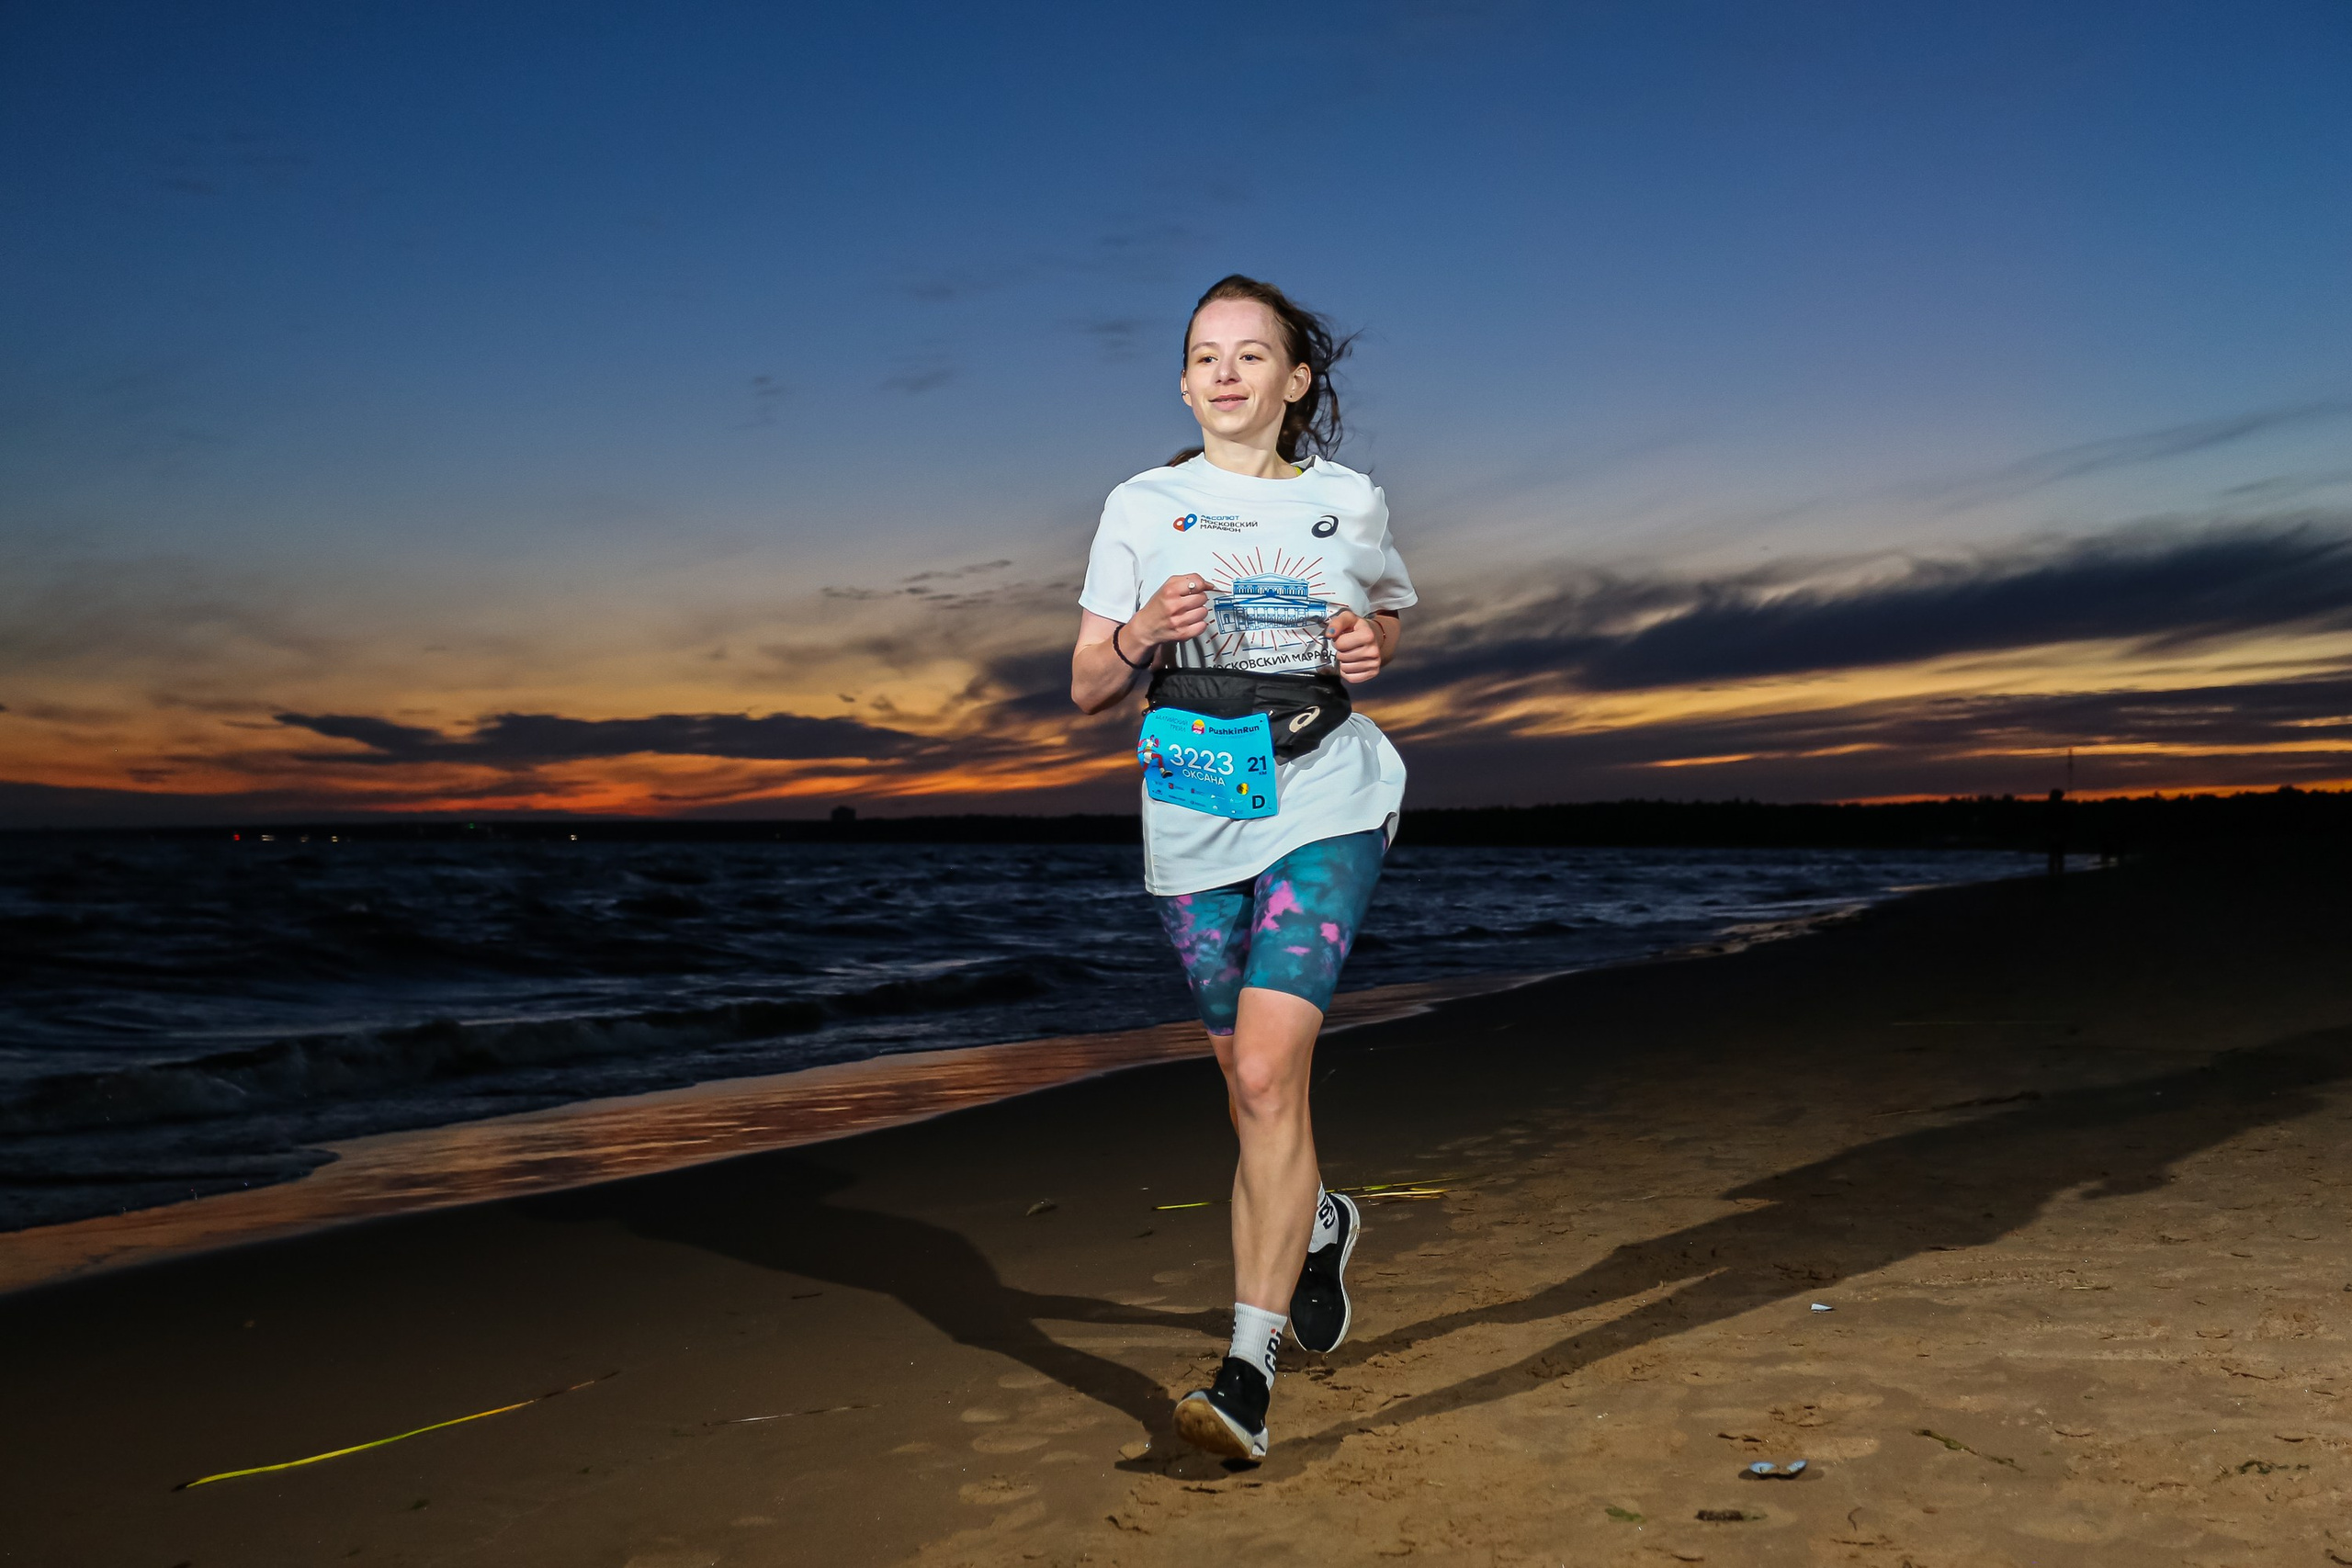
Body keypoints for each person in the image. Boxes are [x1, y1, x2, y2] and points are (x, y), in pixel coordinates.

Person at [1069, 275, 1413, 1461]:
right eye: (1204, 355)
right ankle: (1316, 1221)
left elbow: (1384, 620)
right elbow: (1085, 685)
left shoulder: (1350, 501)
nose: (1226, 372)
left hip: (1326, 791)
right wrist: (1137, 633)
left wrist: (1372, 642)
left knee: (1268, 1078)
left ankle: (1245, 1370)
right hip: (1192, 810)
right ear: (1182, 382)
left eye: (1251, 354)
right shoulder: (1141, 504)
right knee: (1249, 1089)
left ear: (1294, 380)